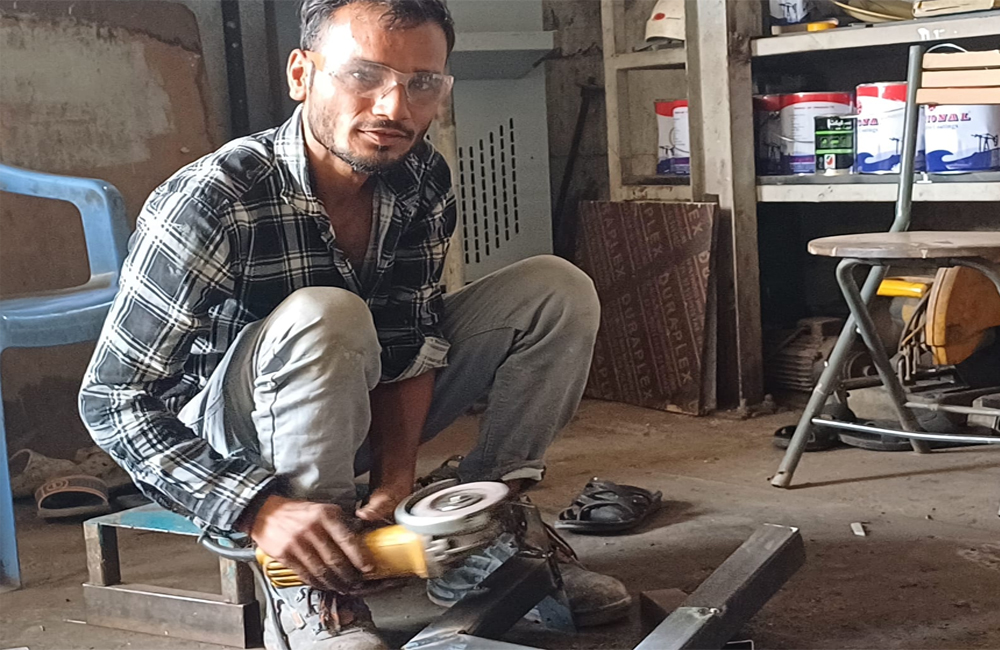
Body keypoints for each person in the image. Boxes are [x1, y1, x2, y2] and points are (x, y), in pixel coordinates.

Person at [79, 1, 628, 648]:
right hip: (240, 439)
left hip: (352, 403)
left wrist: (397, 481)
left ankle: (476, 534)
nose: (394, 107)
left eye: (422, 83)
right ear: (301, 75)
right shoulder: (214, 201)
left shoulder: (419, 174)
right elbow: (112, 398)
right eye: (363, 75)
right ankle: (313, 585)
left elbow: (411, 339)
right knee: (329, 312)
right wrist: (257, 507)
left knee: (556, 290)